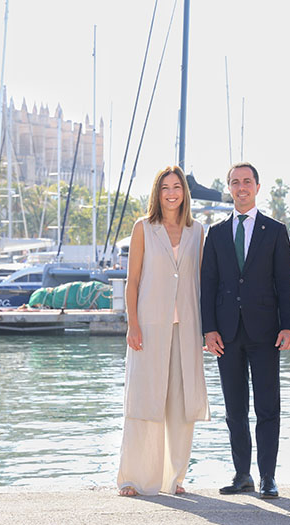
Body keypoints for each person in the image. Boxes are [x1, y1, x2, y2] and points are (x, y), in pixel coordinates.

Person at [200, 162, 290, 499]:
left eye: (247, 182)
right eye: (235, 182)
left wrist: (289, 326)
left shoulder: (275, 230)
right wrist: (208, 329)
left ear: (257, 186)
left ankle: (268, 477)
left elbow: (285, 283)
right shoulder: (216, 233)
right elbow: (207, 284)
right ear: (229, 188)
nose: (241, 187)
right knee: (234, 409)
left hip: (266, 331)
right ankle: (243, 475)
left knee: (268, 407)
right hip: (226, 334)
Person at [117, 165, 210, 497]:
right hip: (149, 327)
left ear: (185, 192)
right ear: (157, 193)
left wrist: (206, 330)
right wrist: (133, 324)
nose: (172, 193)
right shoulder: (144, 228)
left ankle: (174, 479)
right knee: (144, 402)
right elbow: (133, 281)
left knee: (180, 407)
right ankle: (133, 478)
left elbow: (201, 284)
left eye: (177, 187)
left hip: (186, 329)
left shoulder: (197, 231)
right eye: (165, 188)